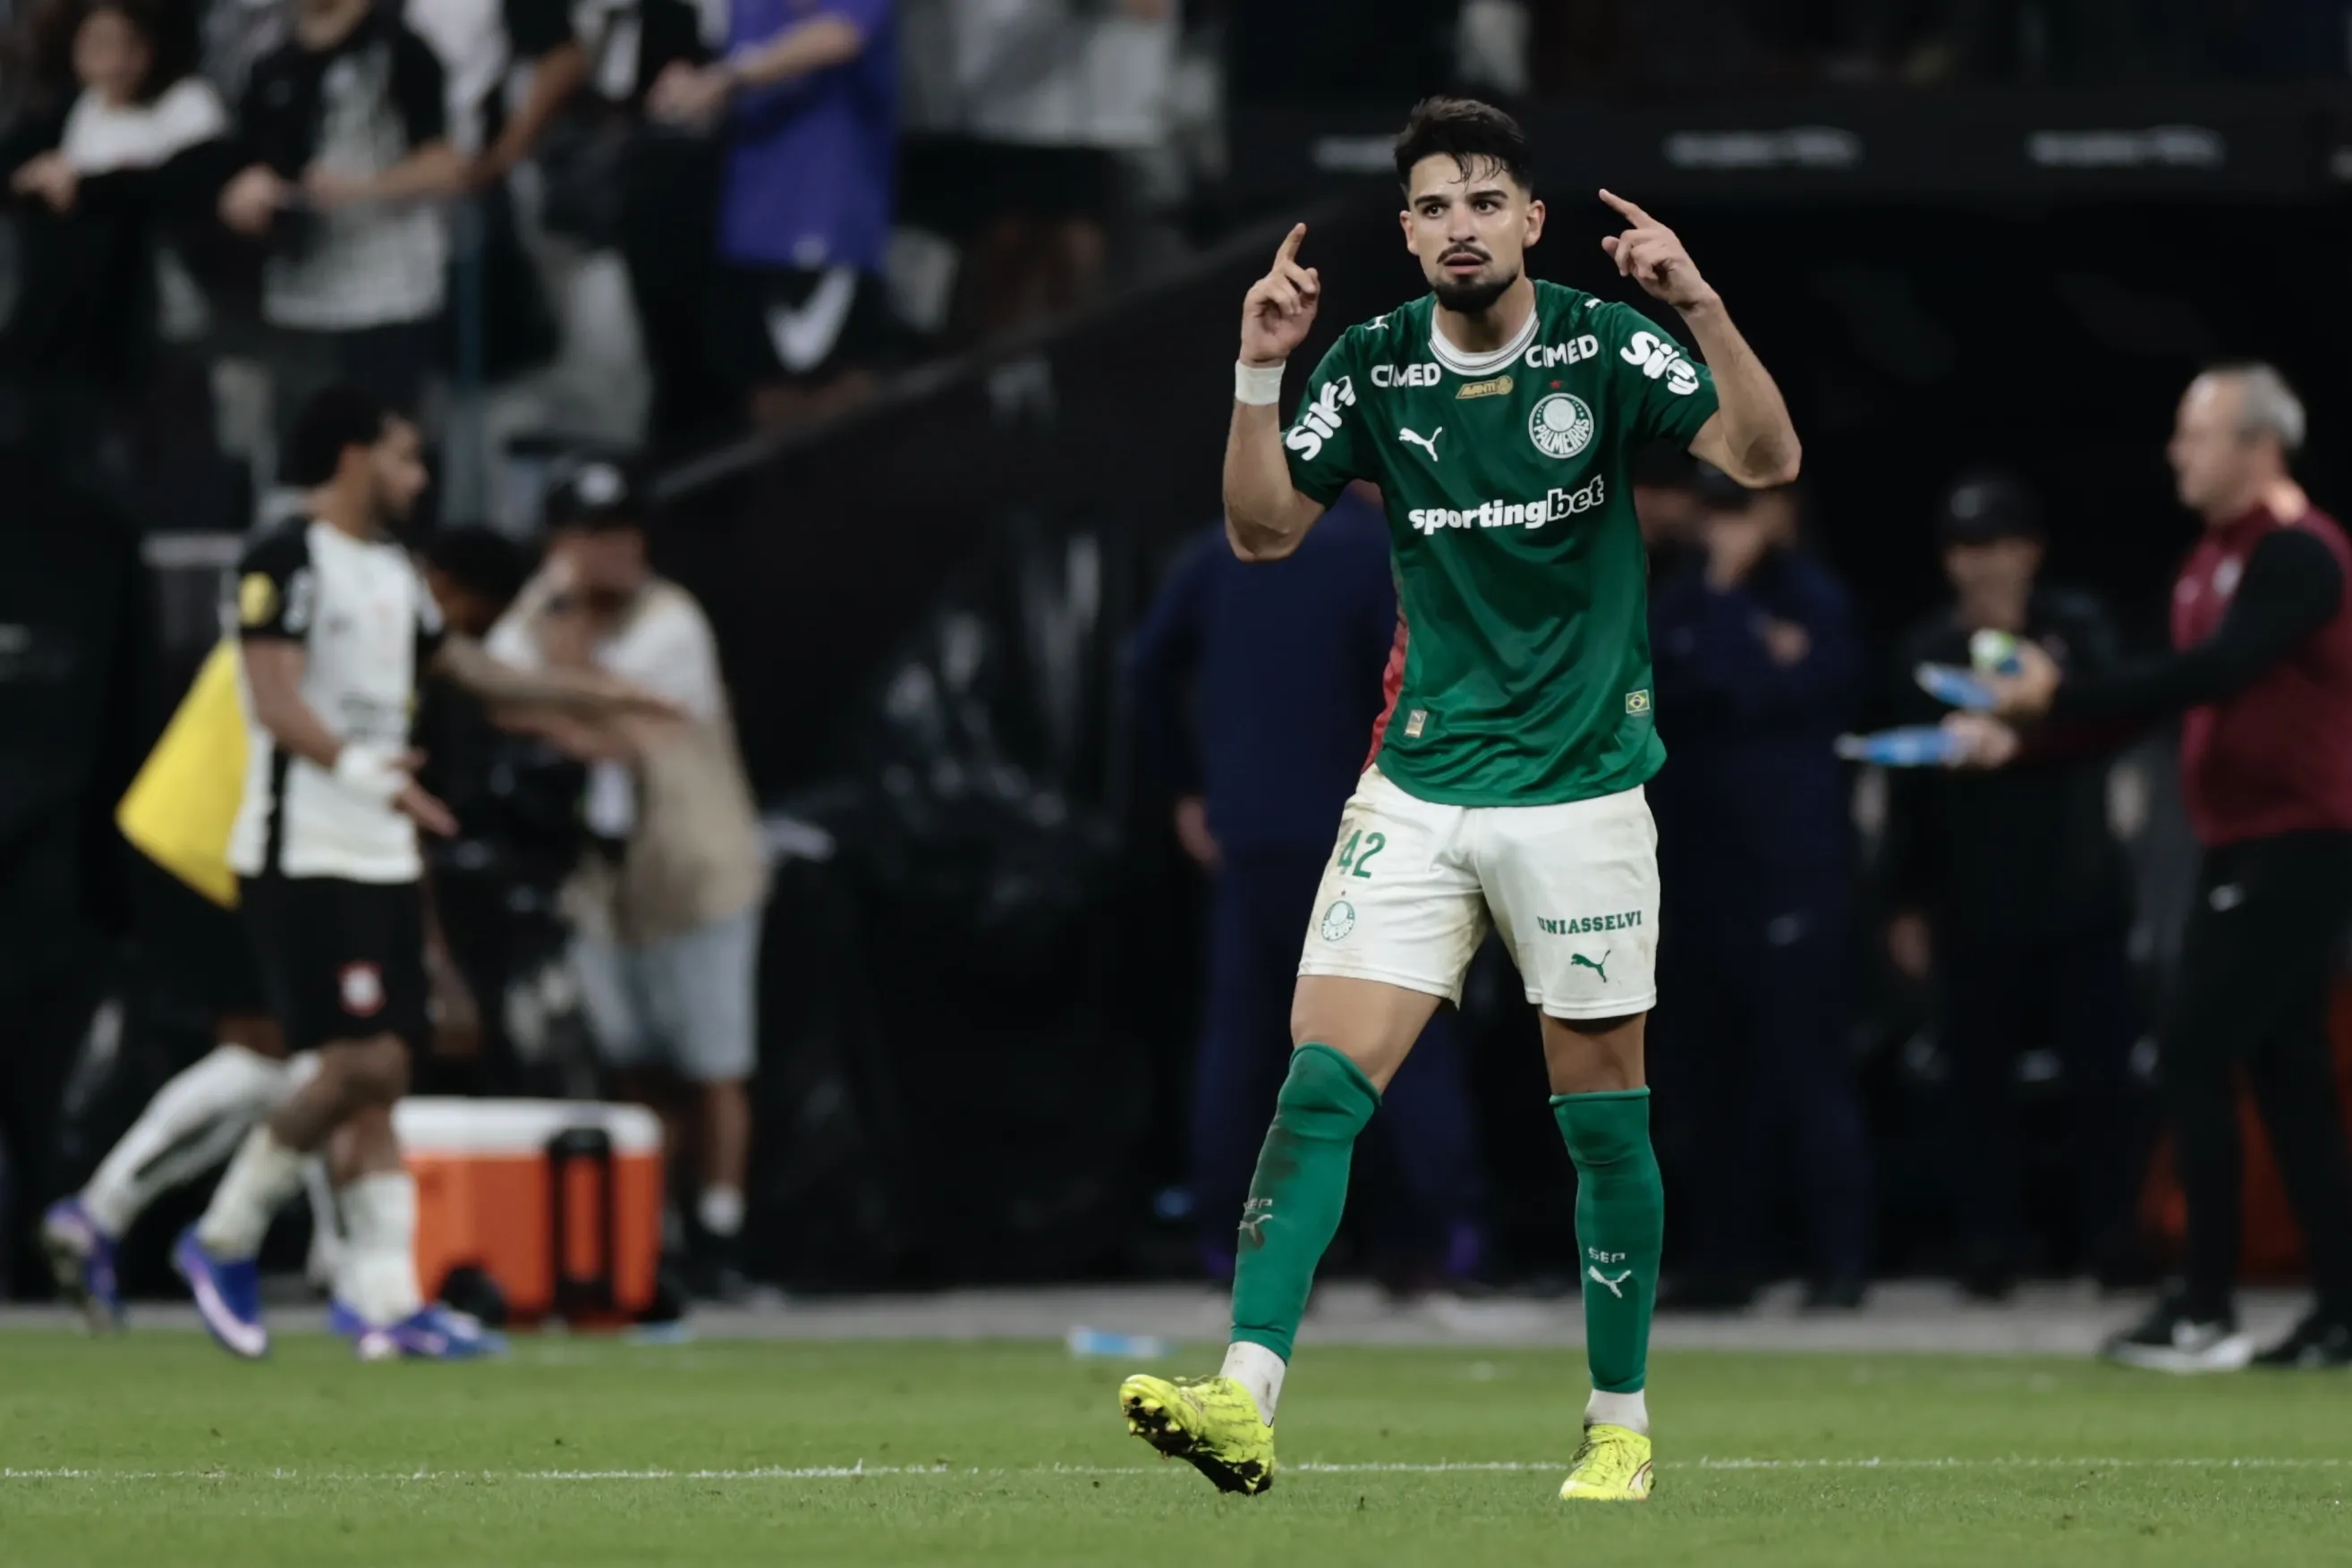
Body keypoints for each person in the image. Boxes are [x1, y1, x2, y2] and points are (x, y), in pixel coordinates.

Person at [1116, 96, 1800, 1501]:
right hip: (1419, 785)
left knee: (1601, 1119)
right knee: (1318, 1084)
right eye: (1433, 206)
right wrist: (1257, 372)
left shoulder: (1602, 346)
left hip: (1581, 792)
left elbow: (1761, 459)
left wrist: (1700, 305)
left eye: (1484, 200)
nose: (1459, 226)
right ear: (1410, 231)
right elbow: (1260, 529)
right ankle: (1244, 1395)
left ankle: (1618, 1423)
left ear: (1531, 221)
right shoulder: (1371, 365)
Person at [170, 385, 671, 1360]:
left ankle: (386, 1301)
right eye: (403, 456)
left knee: (387, 1075)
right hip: (303, 848)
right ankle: (224, 1234)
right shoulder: (283, 556)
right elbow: (273, 699)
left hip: (380, 850)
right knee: (359, 1064)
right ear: (354, 456)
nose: (419, 476)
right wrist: (367, 771)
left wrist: (592, 695)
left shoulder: (392, 569)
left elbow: (469, 670)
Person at [1961, 365, 2352, 1371]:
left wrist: (2058, 693)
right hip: (2249, 841)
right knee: (2289, 1078)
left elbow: (2214, 672)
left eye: (2196, 433)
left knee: (2189, 1053)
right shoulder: (2208, 559)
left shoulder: (2297, 551)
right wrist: (2032, 735)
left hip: (2292, 840)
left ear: (2258, 445)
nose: (2176, 453)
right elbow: (2160, 703)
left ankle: (2203, 1305)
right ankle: (2339, 1310)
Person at [1126, 481, 1486, 1295]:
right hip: (1367, 831)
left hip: (1252, 834)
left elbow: (1145, 666)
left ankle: (1235, 1243)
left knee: (1249, 1043)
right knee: (1401, 1039)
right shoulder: (1391, 555)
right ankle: (1431, 1244)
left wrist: (1188, 787)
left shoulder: (1226, 548)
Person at [488, 460, 769, 1299]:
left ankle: (722, 1231)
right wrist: (569, 686)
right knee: (634, 1068)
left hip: (695, 872)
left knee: (712, 1065)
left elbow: (611, 730)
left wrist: (559, 685)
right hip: (606, 886)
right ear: (560, 541)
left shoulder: (671, 621)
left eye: (625, 533)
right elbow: (496, 694)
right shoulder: (539, 607)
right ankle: (654, 1234)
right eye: (594, 534)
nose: (616, 551)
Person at [1881, 473, 2141, 1299]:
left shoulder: (2076, 630)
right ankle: (1990, 1244)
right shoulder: (1924, 649)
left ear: (2030, 550)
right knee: (1975, 1087)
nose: (1982, 563)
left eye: (1996, 543)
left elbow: (2115, 713)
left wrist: (2021, 729)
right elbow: (1907, 788)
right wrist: (1903, 900)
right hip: (1972, 902)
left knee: (2100, 1080)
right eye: (1965, 547)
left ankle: (2114, 1240)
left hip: (2077, 893)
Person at [1645, 470, 1870, 1312]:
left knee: (1808, 1070)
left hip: (1792, 869)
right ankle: (1721, 1262)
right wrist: (1729, 619)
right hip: (1700, 871)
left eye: (1741, 508)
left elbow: (1783, 691)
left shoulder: (1814, 598)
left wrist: (1730, 618)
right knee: (1708, 1079)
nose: (1726, 526)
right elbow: (1661, 694)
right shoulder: (1676, 599)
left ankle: (1839, 1260)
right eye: (1715, 508)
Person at [647, 0, 896, 429]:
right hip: (748, 223)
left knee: (836, 404)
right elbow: (734, 80)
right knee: (764, 402)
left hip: (822, 215)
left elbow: (840, 35)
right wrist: (687, 92)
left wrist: (723, 78)